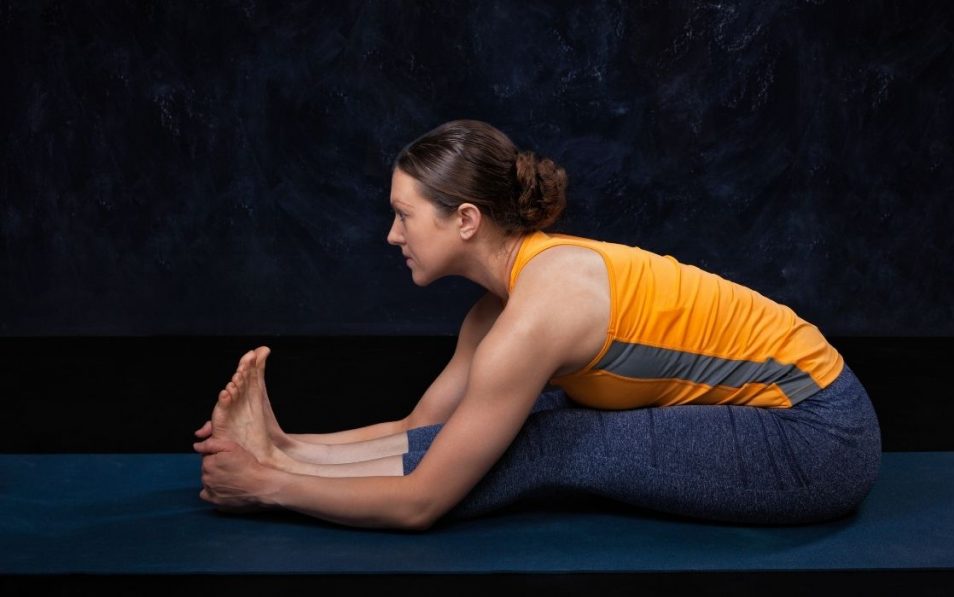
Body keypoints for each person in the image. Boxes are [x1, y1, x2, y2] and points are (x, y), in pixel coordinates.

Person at [193, 119, 881, 530]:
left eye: (405, 214)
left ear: (465, 219)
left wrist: (265, 488)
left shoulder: (537, 313)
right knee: (515, 419)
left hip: (815, 435)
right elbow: (417, 429)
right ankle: (281, 449)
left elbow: (421, 501)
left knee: (552, 440)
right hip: (789, 412)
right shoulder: (501, 304)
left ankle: (275, 469)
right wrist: (286, 445)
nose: (391, 233)